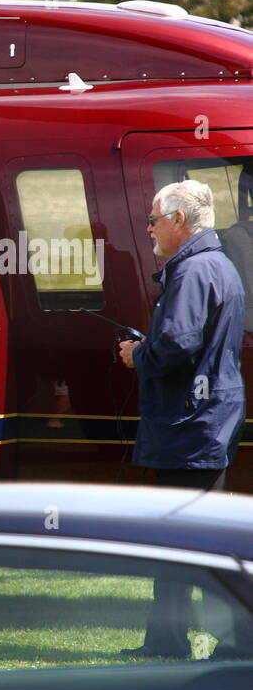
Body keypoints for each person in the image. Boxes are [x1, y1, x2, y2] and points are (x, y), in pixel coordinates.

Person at [118, 179, 246, 657]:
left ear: (177, 221)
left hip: (191, 422)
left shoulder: (193, 271)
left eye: (153, 219)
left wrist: (138, 354)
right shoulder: (216, 264)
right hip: (205, 418)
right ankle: (168, 638)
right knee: (190, 537)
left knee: (187, 539)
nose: (148, 228)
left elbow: (176, 343)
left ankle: (232, 640)